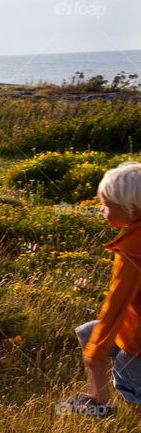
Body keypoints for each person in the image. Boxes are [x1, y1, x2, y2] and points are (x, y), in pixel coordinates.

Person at [60, 162, 141, 419]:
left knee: (130, 380)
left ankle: (106, 408)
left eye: (106, 205)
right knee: (88, 332)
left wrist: (96, 354)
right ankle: (103, 402)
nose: (101, 210)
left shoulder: (132, 251)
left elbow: (115, 307)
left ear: (131, 209)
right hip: (133, 327)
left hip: (138, 341)